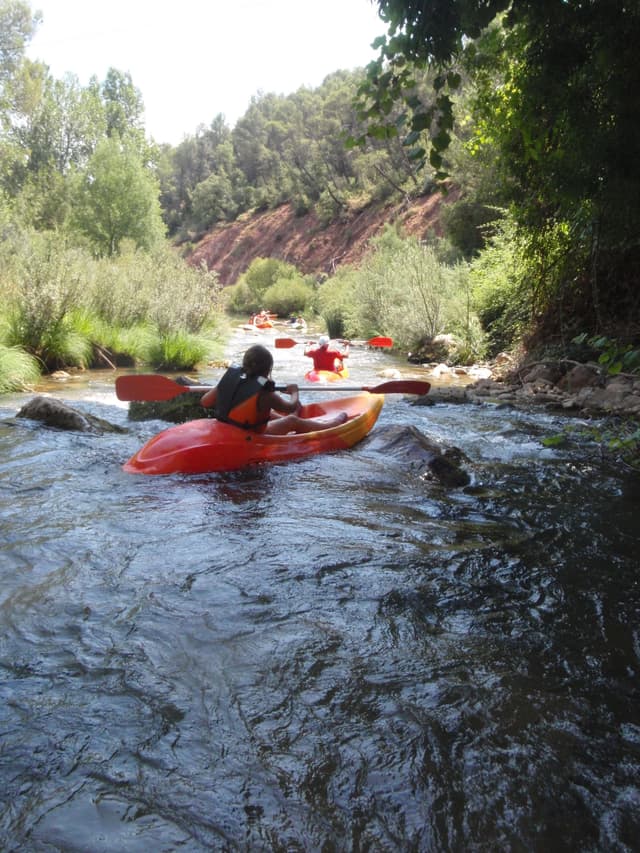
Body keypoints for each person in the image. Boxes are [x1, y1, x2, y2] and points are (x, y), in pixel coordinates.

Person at [200, 344, 347, 435]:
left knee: (266, 412)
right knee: (291, 420)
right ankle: (330, 425)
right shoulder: (264, 393)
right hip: (249, 433)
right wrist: (294, 392)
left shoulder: (230, 379)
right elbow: (290, 407)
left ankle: (292, 421)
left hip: (228, 427)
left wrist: (223, 386)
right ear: (267, 369)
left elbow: (205, 402)